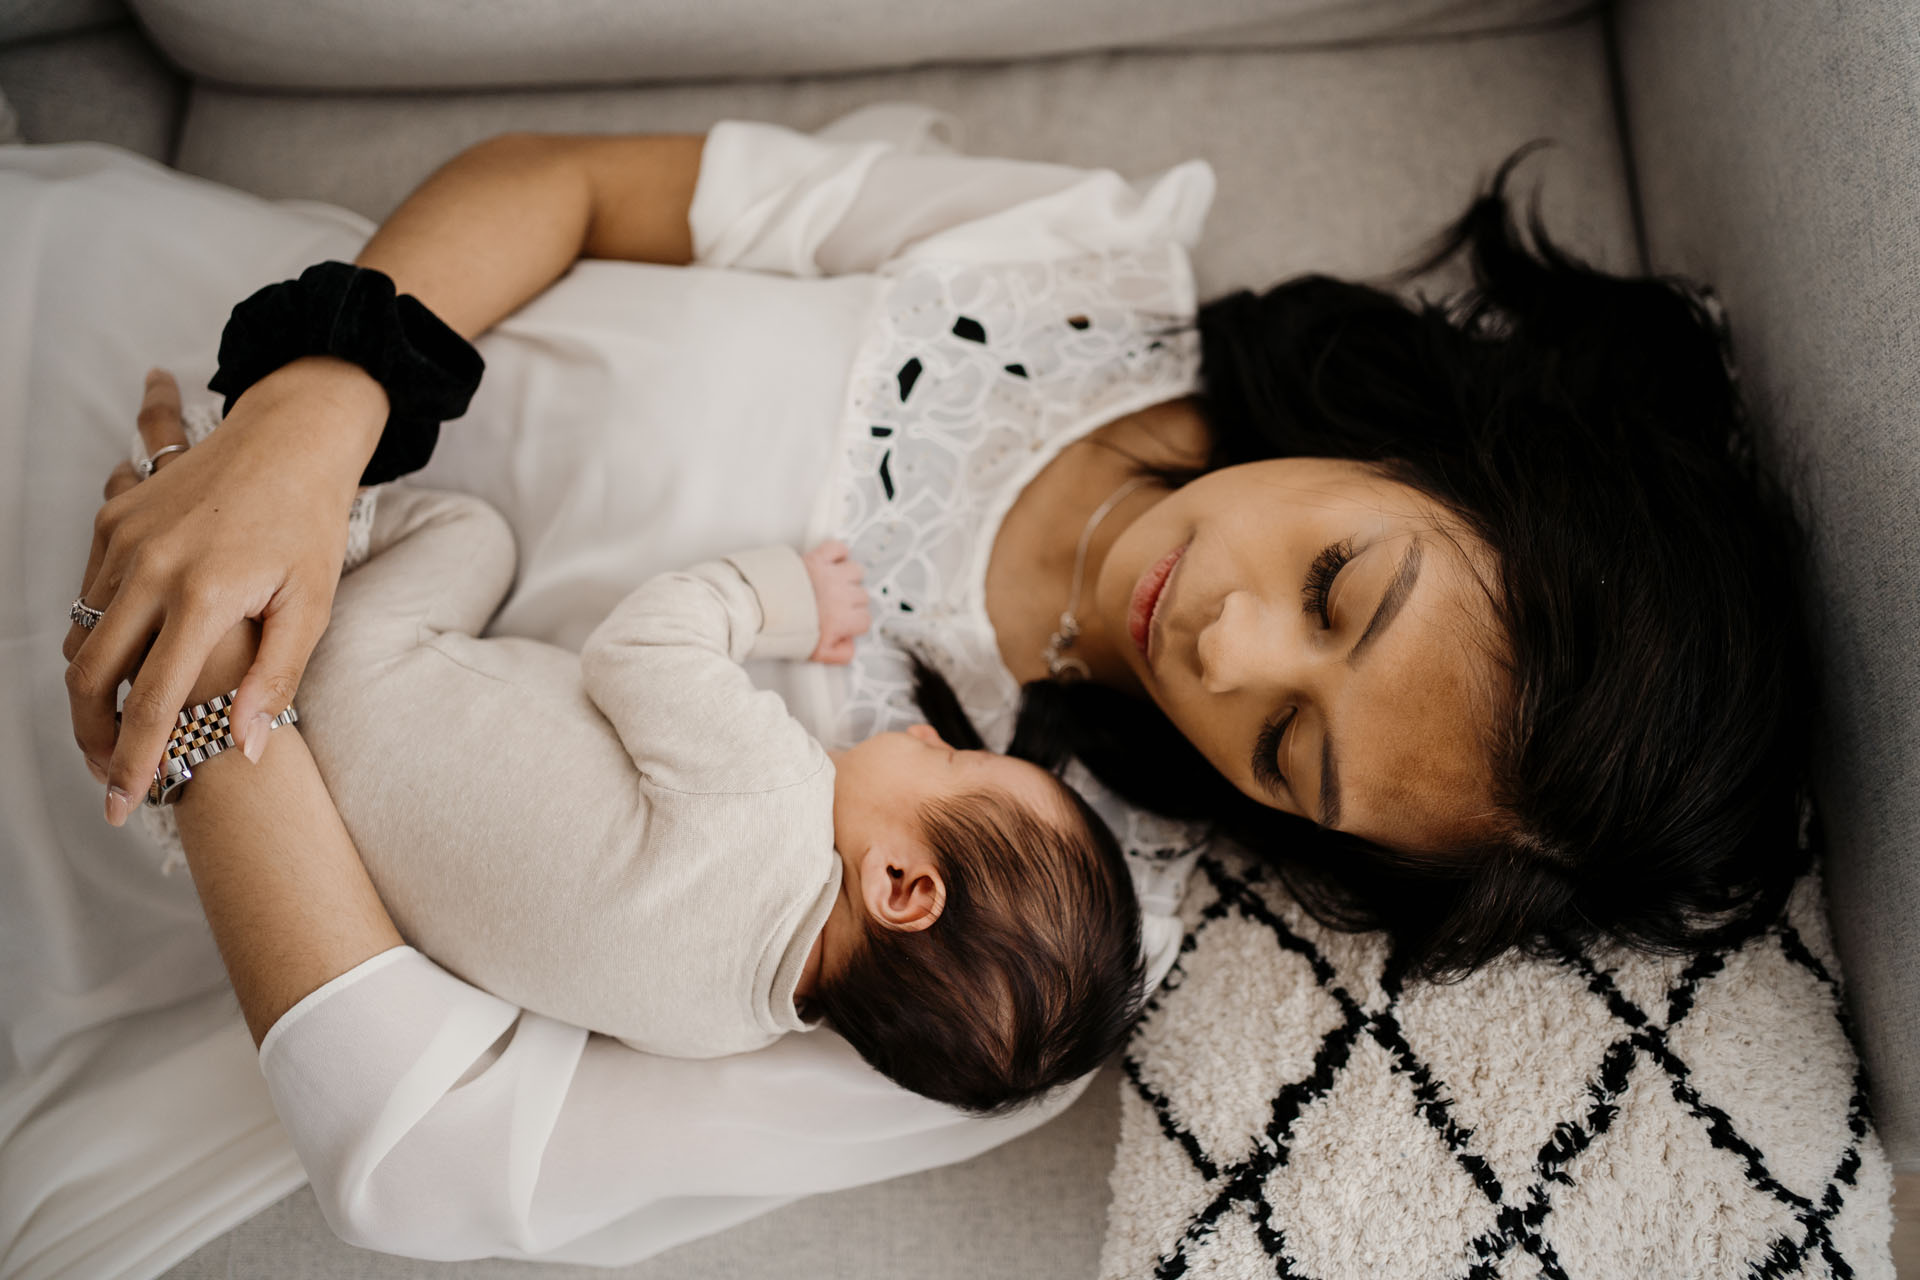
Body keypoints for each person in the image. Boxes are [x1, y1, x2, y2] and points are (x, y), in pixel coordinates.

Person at [9, 103, 1812, 1263]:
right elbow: (561, 184)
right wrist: (302, 427)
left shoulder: (1021, 958)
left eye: (1288, 750)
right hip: (131, 340)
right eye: (1342, 584)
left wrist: (204, 720)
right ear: (1440, 455)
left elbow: (439, 1151)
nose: (1224, 649)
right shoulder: (1068, 265)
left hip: (94, 824)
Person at [278, 479, 1142, 1113]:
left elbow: (641, 646)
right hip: (305, 823)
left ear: (902, 887)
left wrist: (786, 600)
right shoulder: (717, 1031)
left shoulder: (777, 793)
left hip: (366, 663)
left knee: (476, 530)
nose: (924, 734)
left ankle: (265, 509)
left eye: (951, 764)